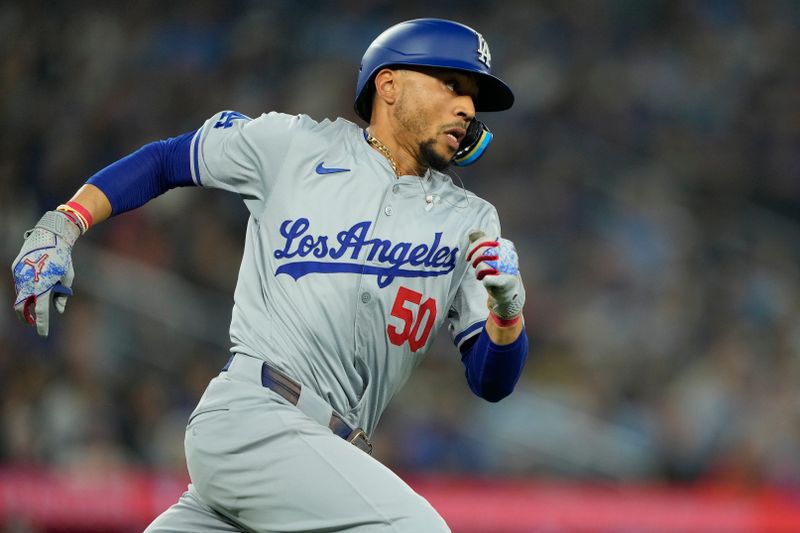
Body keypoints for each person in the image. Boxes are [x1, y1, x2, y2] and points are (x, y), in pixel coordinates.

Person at [12, 18, 528, 532]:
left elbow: (491, 381)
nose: (467, 106)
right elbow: (167, 160)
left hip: (320, 453)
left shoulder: (471, 221)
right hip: (255, 415)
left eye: (474, 95)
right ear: (388, 84)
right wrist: (64, 223)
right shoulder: (294, 146)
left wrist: (507, 312)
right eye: (452, 84)